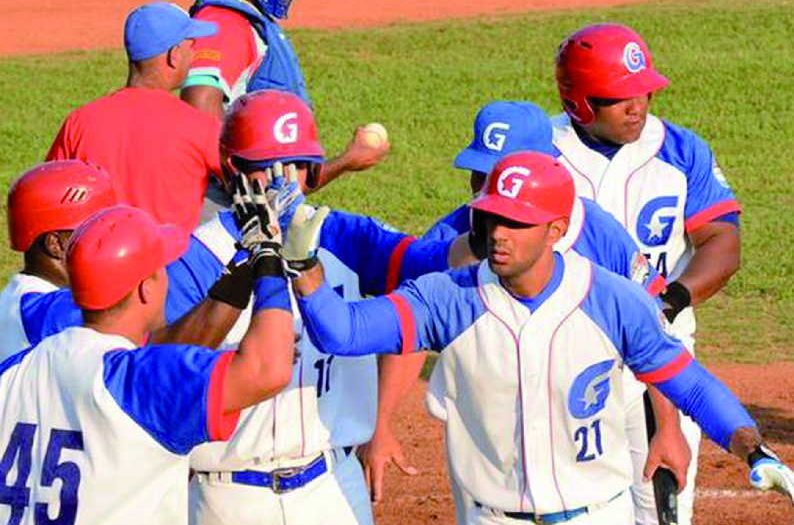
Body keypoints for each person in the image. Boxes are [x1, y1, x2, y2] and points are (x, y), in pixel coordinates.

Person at [293, 151, 794, 525]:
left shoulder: (612, 300)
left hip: (598, 516)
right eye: (492, 216)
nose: (498, 233)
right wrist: (303, 266)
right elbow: (343, 331)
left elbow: (691, 384)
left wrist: (754, 448)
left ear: (556, 229)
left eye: (517, 221)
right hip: (492, 518)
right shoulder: (447, 296)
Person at [361, 101, 681, 522]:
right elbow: (412, 329)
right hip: (489, 428)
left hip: (593, 409)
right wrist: (381, 421)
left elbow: (652, 329)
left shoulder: (597, 231)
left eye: (496, 174)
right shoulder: (454, 238)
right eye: (479, 174)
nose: (483, 189)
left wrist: (668, 425)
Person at [186, 88, 471, 525]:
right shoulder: (197, 254)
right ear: (233, 170)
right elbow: (164, 358)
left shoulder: (343, 236)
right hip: (226, 494)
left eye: (297, 165)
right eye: (266, 167)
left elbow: (432, 262)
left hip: (332, 485)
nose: (285, 180)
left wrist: (489, 218)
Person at [0, 200, 296, 524]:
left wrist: (242, 270)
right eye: (163, 269)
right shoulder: (136, 383)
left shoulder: (17, 368)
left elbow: (166, 346)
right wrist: (270, 261)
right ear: (146, 289)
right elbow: (269, 369)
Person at [552, 23, 742, 525]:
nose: (637, 106)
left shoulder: (681, 151)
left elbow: (723, 241)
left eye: (643, 92)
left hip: (664, 359)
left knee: (664, 514)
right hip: (566, 359)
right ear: (579, 101)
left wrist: (671, 299)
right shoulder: (543, 155)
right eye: (618, 98)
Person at [181, 0, 389, 198]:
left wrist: (347, 161)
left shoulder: (252, 22)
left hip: (245, 206)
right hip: (219, 207)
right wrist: (237, 186)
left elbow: (281, 185)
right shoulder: (226, 20)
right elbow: (199, 101)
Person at [47, 2, 223, 235]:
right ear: (174, 55)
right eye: (191, 46)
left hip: (96, 266)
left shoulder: (79, 122)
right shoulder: (200, 126)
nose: (194, 54)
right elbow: (247, 179)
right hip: (169, 268)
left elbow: (49, 194)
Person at [0, 160, 116, 358]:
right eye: (97, 231)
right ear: (56, 245)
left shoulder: (21, 295)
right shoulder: (40, 309)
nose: (110, 241)